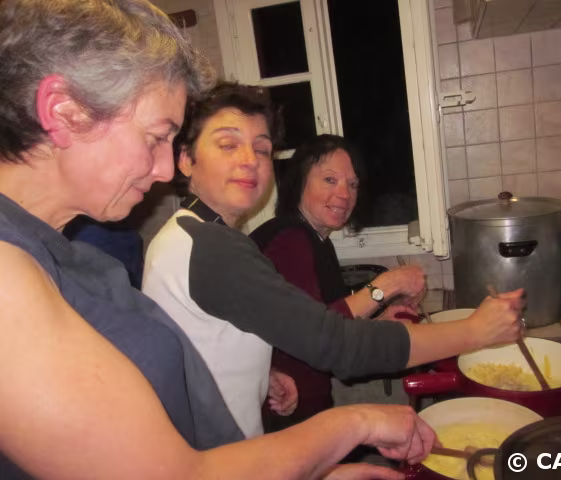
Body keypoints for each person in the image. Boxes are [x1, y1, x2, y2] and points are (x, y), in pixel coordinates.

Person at [0, 1, 437, 479]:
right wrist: (357, 422)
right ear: (64, 112)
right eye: (156, 137)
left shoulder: (66, 254)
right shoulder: (8, 276)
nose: (164, 169)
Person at [142, 82, 525, 441]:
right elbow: (336, 343)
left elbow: (206, 344)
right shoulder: (214, 247)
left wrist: (263, 374)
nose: (249, 160)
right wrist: (475, 331)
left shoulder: (192, 235)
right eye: (228, 144)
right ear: (186, 159)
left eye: (261, 149)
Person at [251, 134, 431, 431]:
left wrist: (379, 324)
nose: (345, 194)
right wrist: (388, 283)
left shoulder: (317, 241)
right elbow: (313, 334)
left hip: (306, 404)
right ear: (299, 182)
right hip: (283, 410)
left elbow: (329, 321)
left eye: (353, 184)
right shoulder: (289, 240)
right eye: (330, 180)